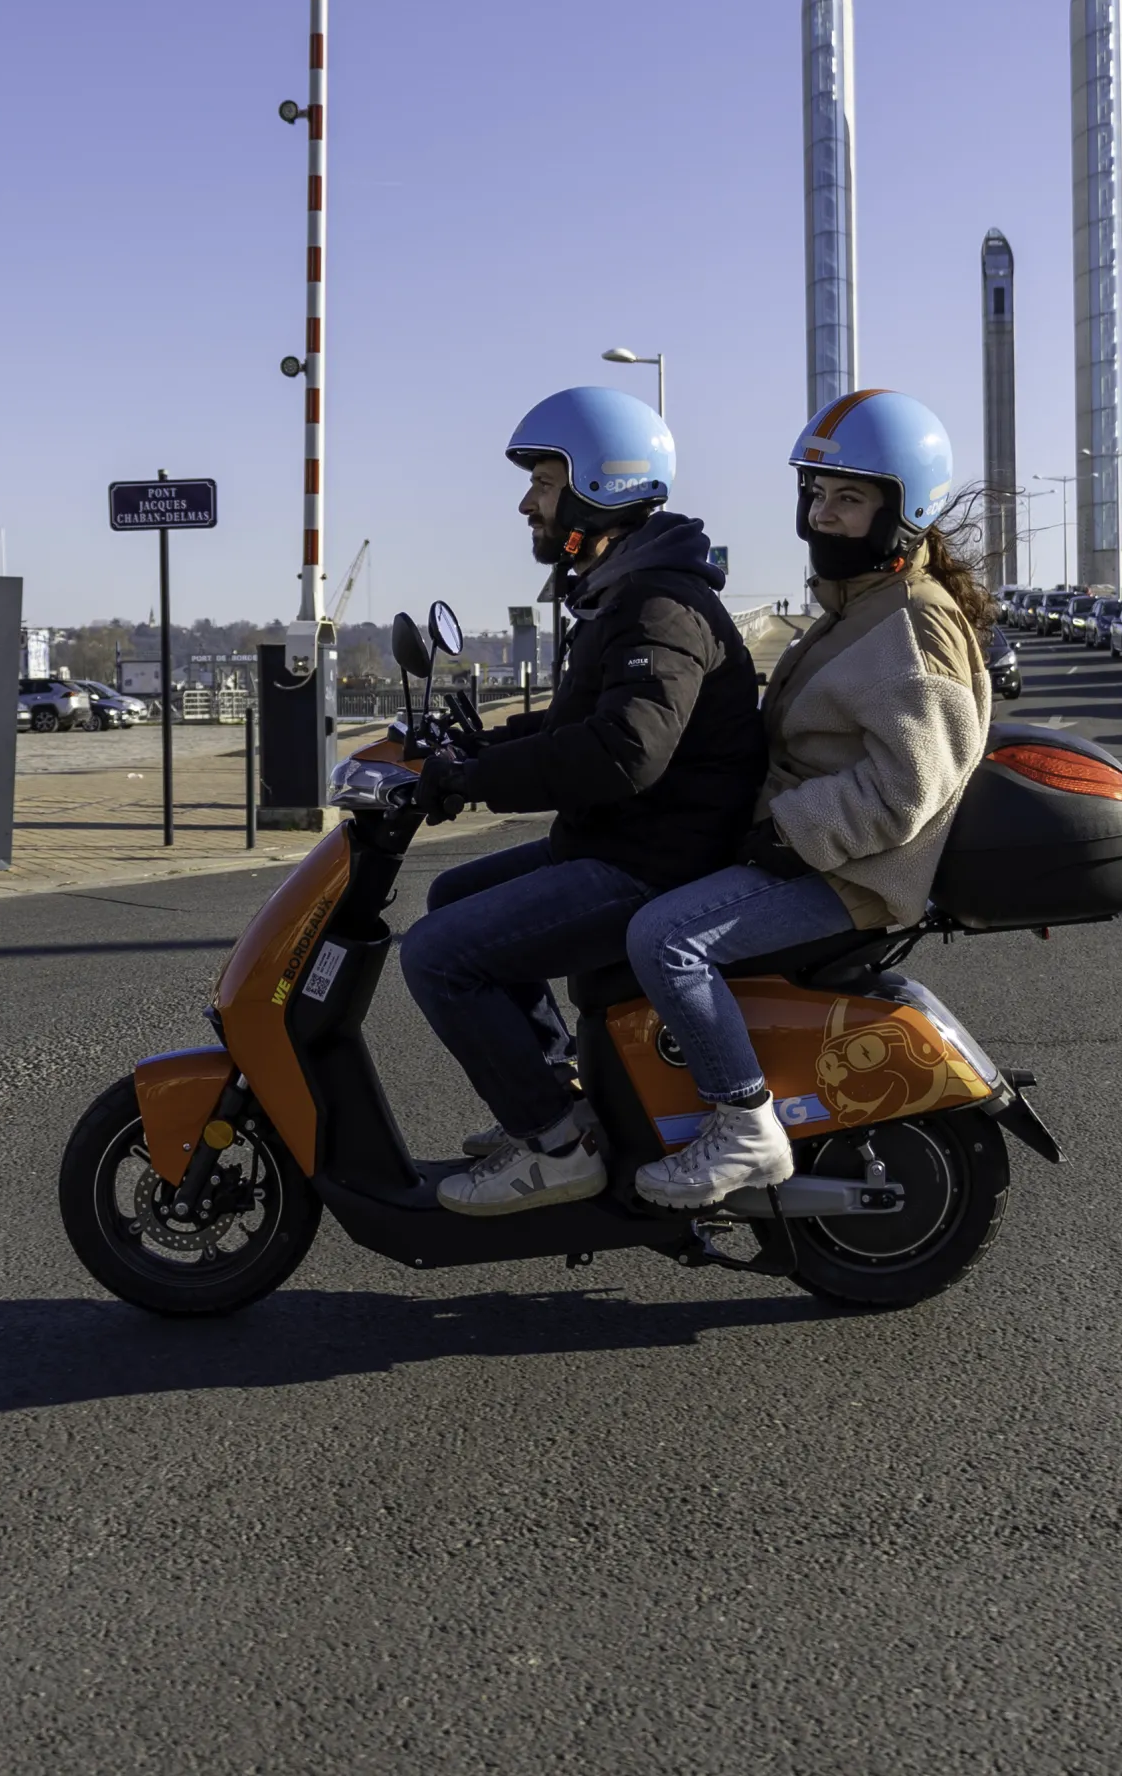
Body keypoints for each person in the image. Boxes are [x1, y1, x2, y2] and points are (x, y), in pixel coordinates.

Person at [399, 386, 765, 1216]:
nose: (527, 500)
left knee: (438, 955)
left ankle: (558, 1146)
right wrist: (480, 748)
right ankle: (563, 1098)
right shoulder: (621, 591)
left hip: (653, 863)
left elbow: (625, 751)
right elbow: (584, 720)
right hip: (626, 841)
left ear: (601, 483)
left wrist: (478, 781)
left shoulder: (660, 604)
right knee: (452, 893)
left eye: (544, 479)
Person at [628, 388, 994, 1209]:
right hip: (815, 854)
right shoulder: (861, 606)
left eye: (850, 498)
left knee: (666, 942)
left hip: (850, 874)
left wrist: (790, 833)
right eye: (816, 494)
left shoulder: (912, 622)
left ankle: (744, 1124)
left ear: (906, 510)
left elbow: (910, 781)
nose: (824, 515)